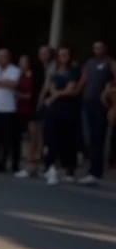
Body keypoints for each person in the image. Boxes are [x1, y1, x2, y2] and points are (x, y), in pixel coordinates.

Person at [39, 44, 81, 185]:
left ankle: (69, 168)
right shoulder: (55, 69)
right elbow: (50, 85)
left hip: (68, 108)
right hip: (54, 109)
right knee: (50, 137)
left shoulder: (73, 70)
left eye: (66, 54)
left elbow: (70, 89)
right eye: (61, 54)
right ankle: (50, 166)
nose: (63, 57)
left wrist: (55, 95)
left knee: (67, 139)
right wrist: (47, 98)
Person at [77, 41, 115, 187]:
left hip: (101, 105)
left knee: (98, 138)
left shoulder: (110, 62)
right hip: (87, 102)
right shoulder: (90, 63)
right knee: (89, 137)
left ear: (105, 49)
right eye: (96, 48)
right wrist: (77, 91)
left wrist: (109, 91)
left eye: (101, 48)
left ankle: (95, 172)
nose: (98, 50)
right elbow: (83, 80)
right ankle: (92, 170)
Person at [13, 54, 36, 178]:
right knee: (20, 136)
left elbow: (29, 95)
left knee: (30, 136)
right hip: (18, 109)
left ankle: (29, 162)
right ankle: (21, 161)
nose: (22, 65)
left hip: (29, 109)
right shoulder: (18, 76)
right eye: (20, 62)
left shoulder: (32, 76)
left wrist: (18, 94)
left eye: (24, 62)